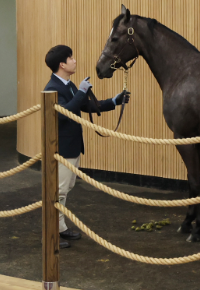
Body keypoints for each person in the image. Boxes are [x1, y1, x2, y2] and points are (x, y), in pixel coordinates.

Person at [43, 45, 130, 248]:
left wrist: (114, 102)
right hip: (61, 148)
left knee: (66, 188)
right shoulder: (52, 88)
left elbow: (86, 106)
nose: (75, 60)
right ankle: (50, 235)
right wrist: (81, 91)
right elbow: (65, 113)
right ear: (62, 64)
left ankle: (60, 228)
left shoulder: (68, 84)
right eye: (70, 58)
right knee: (59, 191)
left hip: (71, 146)